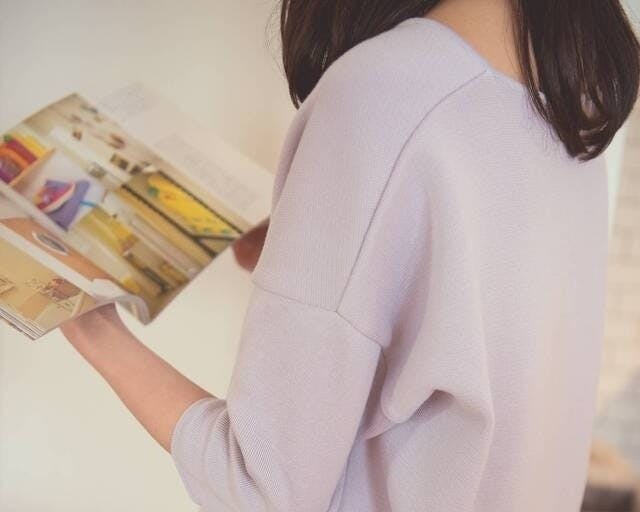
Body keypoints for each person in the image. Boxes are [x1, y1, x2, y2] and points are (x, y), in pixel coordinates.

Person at [61, 0, 640, 510]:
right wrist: (312, 256)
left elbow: (264, 488)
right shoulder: (575, 105)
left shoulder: (386, 89)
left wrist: (88, 320)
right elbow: (475, 329)